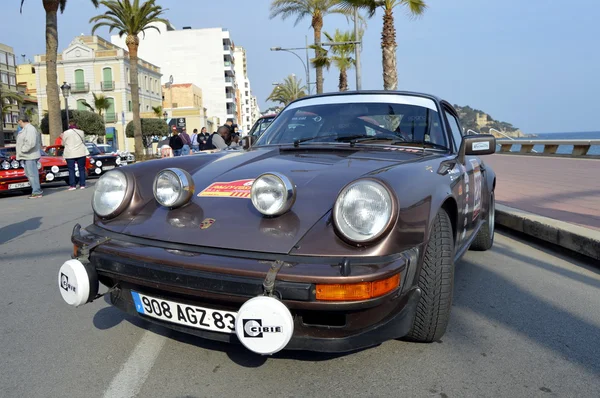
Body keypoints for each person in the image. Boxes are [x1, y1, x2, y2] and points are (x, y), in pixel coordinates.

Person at [16, 116, 43, 199]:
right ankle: (35, 190)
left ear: (21, 121)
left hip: (30, 155)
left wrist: (23, 150)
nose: (18, 123)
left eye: (18, 121)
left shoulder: (30, 129)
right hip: (27, 156)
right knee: (29, 174)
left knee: (32, 174)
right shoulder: (26, 129)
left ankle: (37, 192)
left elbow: (30, 142)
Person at [62, 119, 90, 190]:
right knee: (81, 169)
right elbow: (83, 141)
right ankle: (82, 185)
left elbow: (63, 143)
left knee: (71, 169)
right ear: (76, 124)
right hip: (80, 152)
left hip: (70, 153)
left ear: (69, 124)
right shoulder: (81, 132)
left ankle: (72, 185)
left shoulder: (66, 133)